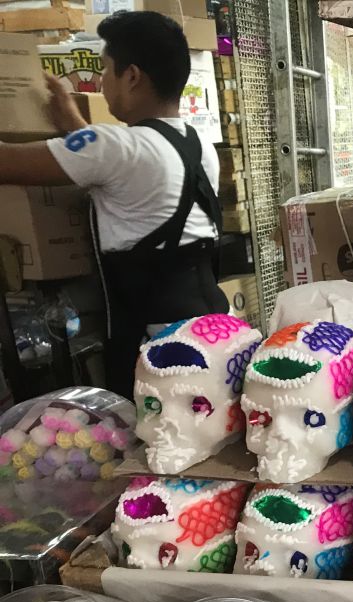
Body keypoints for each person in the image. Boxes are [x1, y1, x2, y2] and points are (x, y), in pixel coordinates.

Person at [0, 12, 226, 397]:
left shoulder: (117, 147)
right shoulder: (197, 144)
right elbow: (119, 164)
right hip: (211, 324)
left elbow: (8, 162)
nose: (102, 83)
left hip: (158, 344)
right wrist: (73, 121)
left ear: (132, 75)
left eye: (105, 70)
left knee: (153, 437)